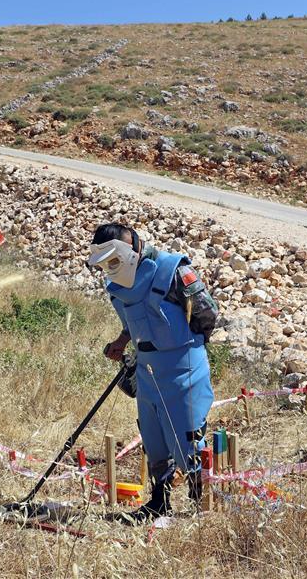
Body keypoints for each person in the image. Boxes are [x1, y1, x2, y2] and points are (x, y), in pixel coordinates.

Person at [86, 223, 218, 523]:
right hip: (148, 369)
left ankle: (202, 507)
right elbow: (133, 321)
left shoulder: (174, 270)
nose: (110, 268)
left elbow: (207, 313)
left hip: (183, 366)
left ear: (131, 247)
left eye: (114, 260)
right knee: (153, 436)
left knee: (187, 437)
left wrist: (186, 348)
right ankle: (159, 501)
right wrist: (122, 342)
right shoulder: (118, 288)